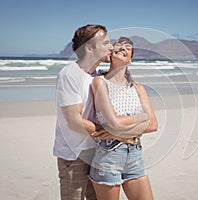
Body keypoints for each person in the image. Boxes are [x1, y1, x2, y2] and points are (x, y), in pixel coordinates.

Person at [89, 36, 158, 200]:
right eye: (118, 45)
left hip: (135, 155)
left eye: (128, 47)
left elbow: (153, 125)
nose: (122, 48)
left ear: (130, 59)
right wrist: (142, 117)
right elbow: (113, 122)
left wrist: (117, 133)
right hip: (108, 156)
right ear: (111, 53)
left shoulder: (138, 87)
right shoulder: (100, 82)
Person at [53, 24, 113, 200]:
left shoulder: (99, 75)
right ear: (89, 48)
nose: (111, 47)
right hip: (74, 153)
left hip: (98, 151)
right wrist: (114, 132)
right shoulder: (70, 74)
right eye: (106, 43)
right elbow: (74, 121)